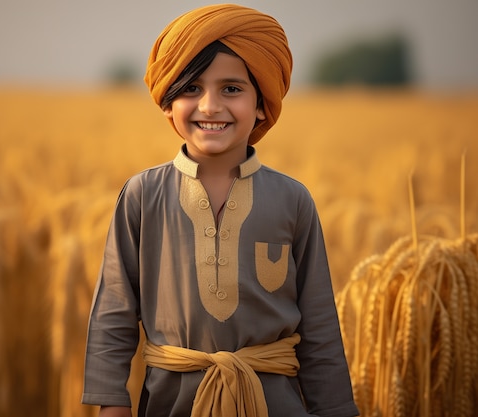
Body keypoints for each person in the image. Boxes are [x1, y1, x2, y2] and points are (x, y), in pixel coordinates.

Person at [82, 4, 359, 417]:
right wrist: (111, 402)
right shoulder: (142, 195)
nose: (210, 106)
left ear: (262, 103)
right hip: (170, 404)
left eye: (231, 89)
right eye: (191, 89)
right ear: (166, 104)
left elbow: (319, 325)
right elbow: (114, 310)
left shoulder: (293, 199)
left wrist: (335, 409)